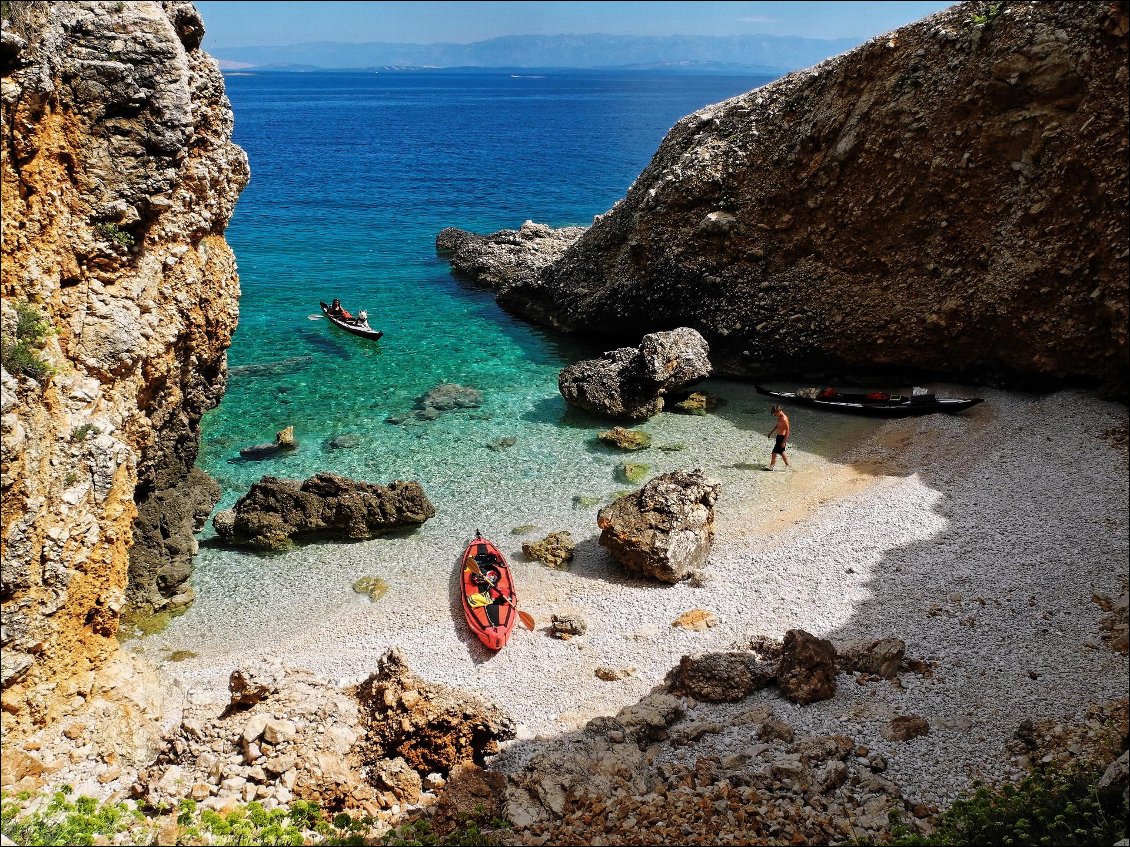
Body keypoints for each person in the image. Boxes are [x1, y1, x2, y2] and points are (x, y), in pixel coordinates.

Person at [766, 404, 790, 470]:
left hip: (782, 438)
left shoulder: (784, 419)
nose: (775, 415)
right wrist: (771, 432)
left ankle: (771, 467)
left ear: (778, 411)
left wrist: (784, 442)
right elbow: (778, 425)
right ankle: (788, 465)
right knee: (781, 452)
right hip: (779, 437)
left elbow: (788, 431)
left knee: (774, 452)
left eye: (775, 414)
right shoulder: (779, 417)